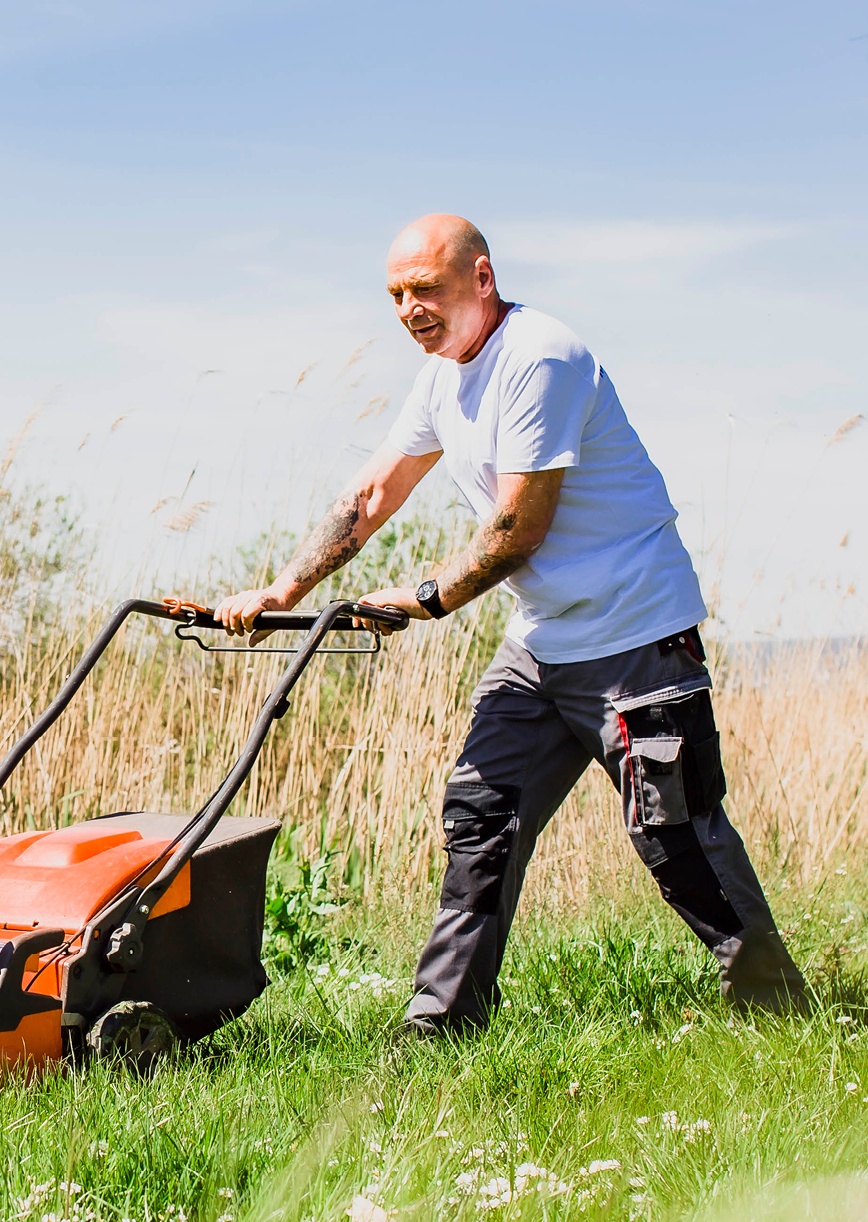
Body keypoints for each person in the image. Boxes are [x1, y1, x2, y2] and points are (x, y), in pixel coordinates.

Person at [213, 214, 808, 1035]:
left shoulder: (540, 357)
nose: (408, 309)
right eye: (394, 294)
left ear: (481, 277)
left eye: (425, 288)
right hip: (541, 643)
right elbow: (373, 492)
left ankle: (780, 1010)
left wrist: (421, 601)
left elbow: (514, 528)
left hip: (634, 636)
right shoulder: (441, 376)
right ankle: (439, 1026)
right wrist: (283, 586)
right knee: (479, 818)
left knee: (677, 837)